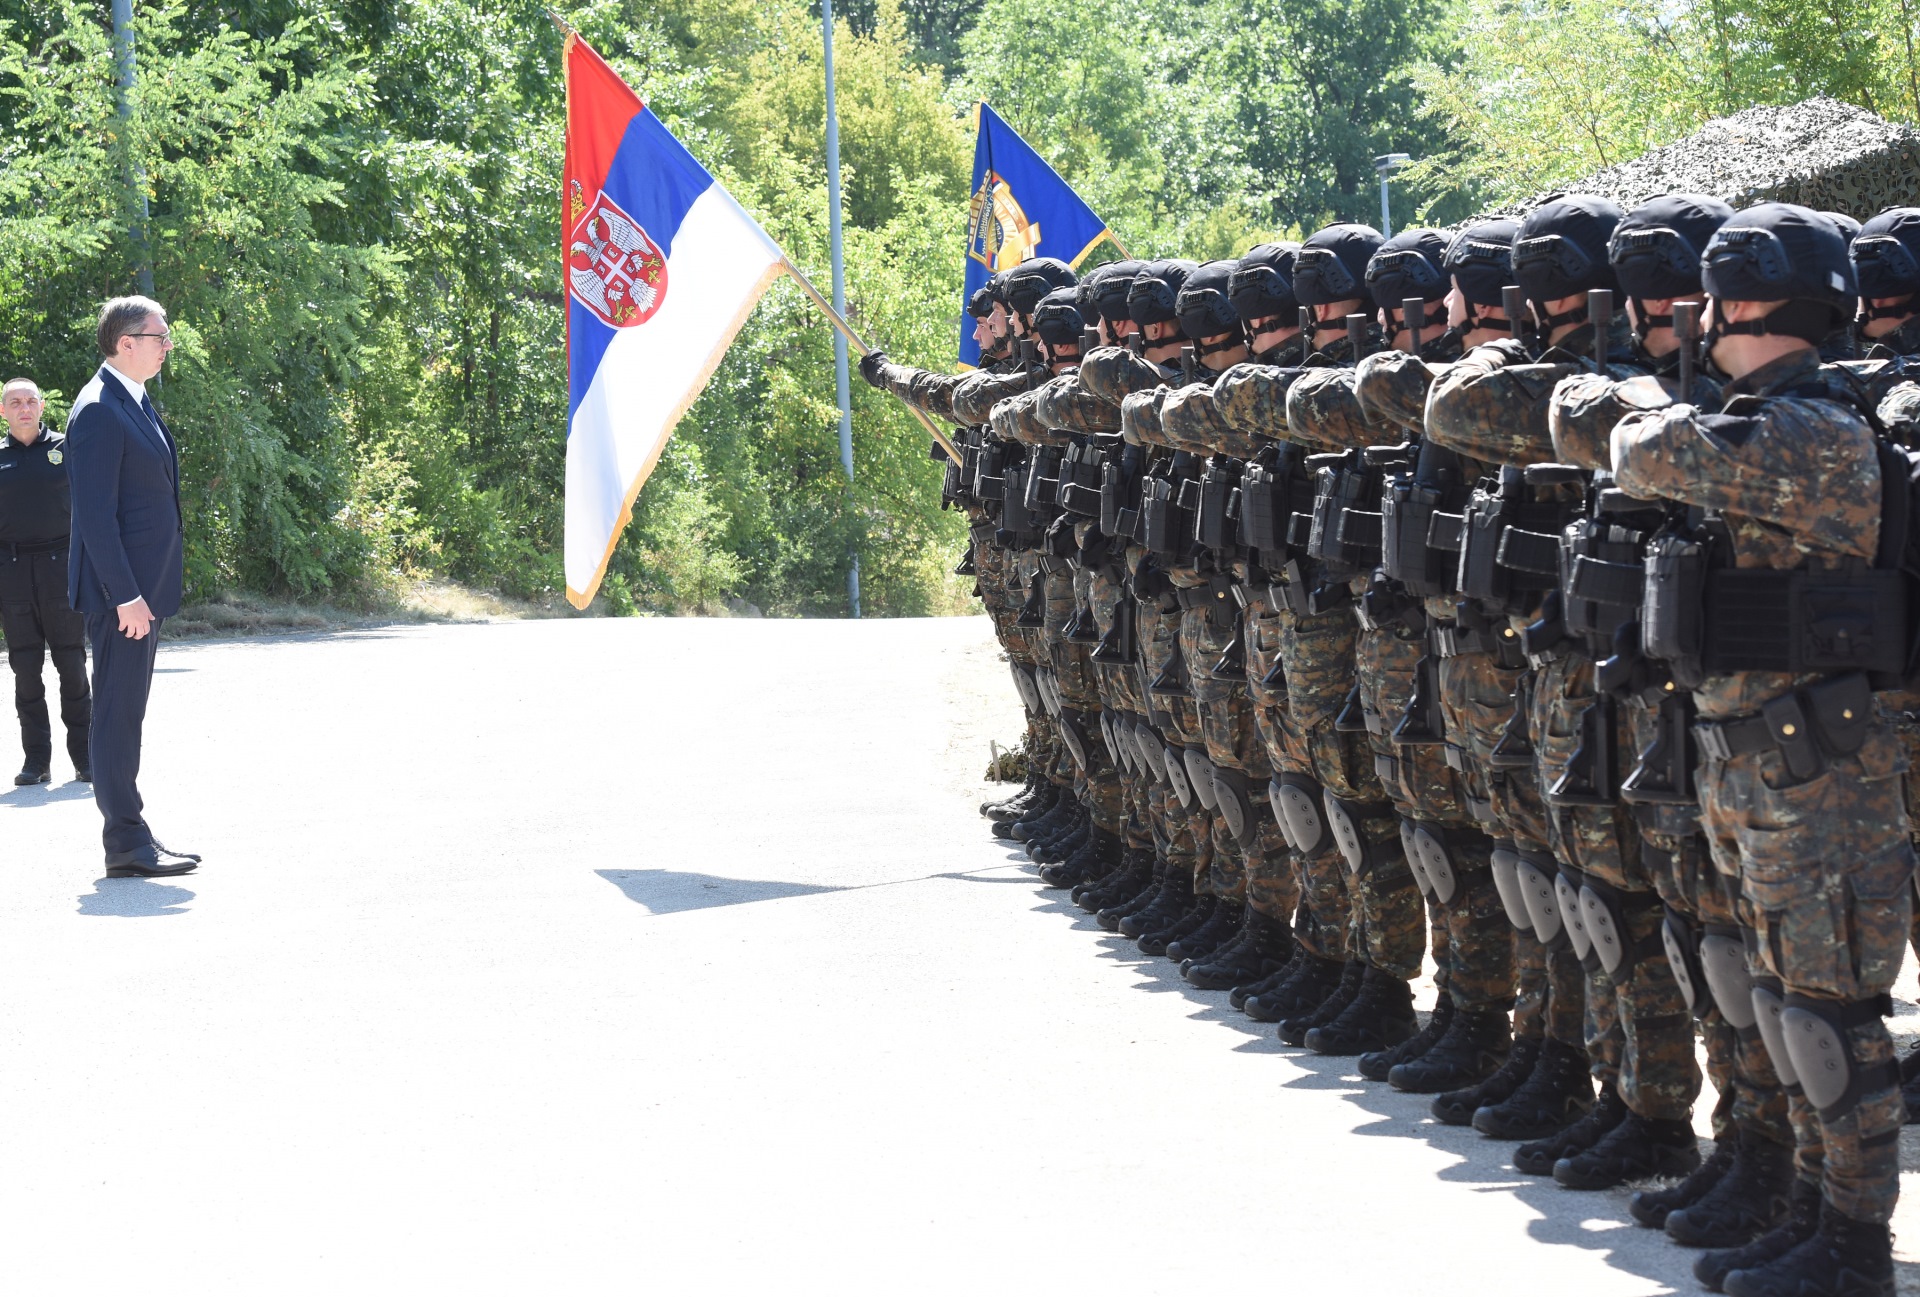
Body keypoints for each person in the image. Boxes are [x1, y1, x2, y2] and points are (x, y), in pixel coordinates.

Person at [1611, 202, 1910, 1297]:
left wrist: (1640, 395)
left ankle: (1852, 1245)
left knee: (1828, 1015)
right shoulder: (1773, 424)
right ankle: (1801, 1203)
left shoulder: (1811, 434)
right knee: (1784, 1003)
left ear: (1738, 301)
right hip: (1761, 762)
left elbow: (1644, 450)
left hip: (1820, 773)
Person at [65, 295, 199, 878]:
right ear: (126, 343)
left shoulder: (132, 400)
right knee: (117, 714)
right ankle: (124, 841)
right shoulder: (98, 408)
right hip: (124, 599)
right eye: (159, 336)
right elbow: (95, 517)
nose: (168, 344)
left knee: (127, 713)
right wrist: (126, 595)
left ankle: (132, 831)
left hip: (142, 592)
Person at [0, 377, 91, 785]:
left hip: (62, 569)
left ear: (41, 407)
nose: (24, 408)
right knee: (25, 671)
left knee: (72, 665)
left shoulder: (64, 449)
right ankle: (36, 761)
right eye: (15, 402)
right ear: (3, 411)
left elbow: (93, 505)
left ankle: (86, 757)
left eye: (30, 401)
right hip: (13, 572)